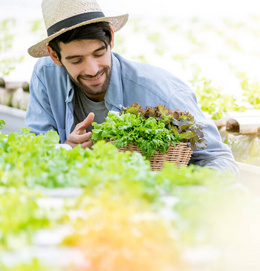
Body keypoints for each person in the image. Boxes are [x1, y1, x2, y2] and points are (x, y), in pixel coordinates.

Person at [25, 0, 238, 174]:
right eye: (76, 60)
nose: (92, 69)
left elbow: (219, 160)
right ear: (55, 55)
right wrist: (65, 150)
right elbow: (32, 153)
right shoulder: (46, 75)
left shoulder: (161, 92)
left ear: (111, 38)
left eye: (99, 54)